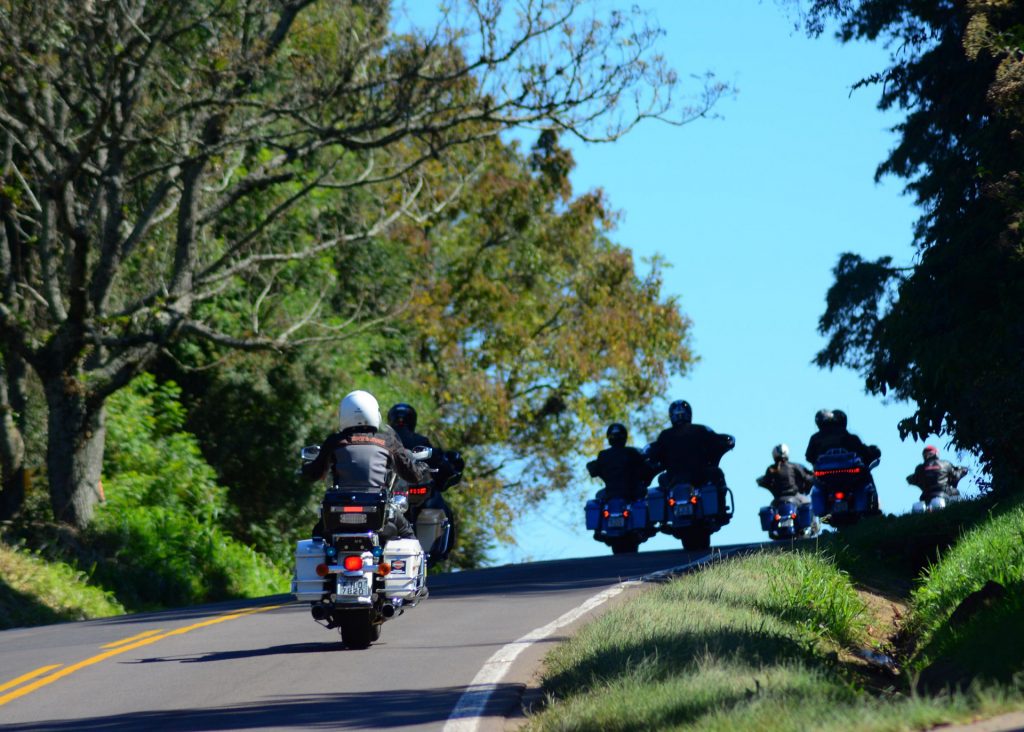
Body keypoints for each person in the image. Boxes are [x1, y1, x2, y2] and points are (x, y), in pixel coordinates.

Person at [302, 390, 429, 543]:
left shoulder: (334, 442)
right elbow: (412, 475)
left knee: (317, 537)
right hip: (380, 514)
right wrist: (422, 467)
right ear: (375, 414)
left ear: (343, 415)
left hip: (337, 514)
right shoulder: (388, 441)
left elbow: (313, 473)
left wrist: (306, 467)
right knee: (408, 536)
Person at [386, 402, 461, 561]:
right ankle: (440, 552)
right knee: (443, 509)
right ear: (412, 420)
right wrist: (448, 472)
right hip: (417, 493)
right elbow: (441, 465)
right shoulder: (420, 441)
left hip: (388, 494)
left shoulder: (380, 442)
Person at [646, 400, 735, 496]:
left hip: (673, 478)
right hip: (699, 476)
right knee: (717, 473)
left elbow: (654, 451)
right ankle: (721, 508)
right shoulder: (701, 429)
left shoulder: (664, 435)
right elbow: (719, 440)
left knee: (661, 479)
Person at [586, 423, 654, 503]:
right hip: (632, 495)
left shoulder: (603, 455)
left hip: (610, 495)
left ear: (609, 438)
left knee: (599, 496)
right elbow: (646, 472)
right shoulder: (632, 453)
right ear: (624, 437)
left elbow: (593, 471)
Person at [804, 408, 881, 466]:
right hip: (844, 476)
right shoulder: (850, 438)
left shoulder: (815, 438)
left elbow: (809, 457)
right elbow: (865, 453)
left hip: (830, 476)